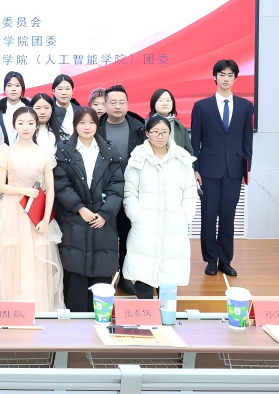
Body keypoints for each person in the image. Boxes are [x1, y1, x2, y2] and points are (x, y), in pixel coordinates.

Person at [0, 108, 64, 311]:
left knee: (36, 260)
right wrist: (25, 191)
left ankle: (36, 309)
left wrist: (45, 219)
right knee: (11, 260)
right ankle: (10, 309)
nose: (25, 127)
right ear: (14, 125)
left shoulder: (43, 153)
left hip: (35, 214)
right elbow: (0, 186)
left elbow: (51, 190)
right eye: (21, 123)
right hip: (11, 211)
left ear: (36, 125)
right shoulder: (6, 151)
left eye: (30, 123)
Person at [54, 107, 125, 312]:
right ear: (75, 125)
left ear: (97, 125)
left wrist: (104, 213)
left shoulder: (109, 150)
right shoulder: (64, 150)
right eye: (82, 122)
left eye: (91, 122)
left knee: (101, 276)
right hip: (73, 219)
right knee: (74, 275)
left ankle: (99, 323)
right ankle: (75, 326)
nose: (87, 127)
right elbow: (61, 184)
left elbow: (117, 185)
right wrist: (79, 208)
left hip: (102, 221)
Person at [123, 116, 198, 299]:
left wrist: (186, 216)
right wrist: (136, 216)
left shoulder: (182, 158)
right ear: (147, 133)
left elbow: (190, 191)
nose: (160, 136)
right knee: (143, 274)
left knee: (169, 279)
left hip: (174, 224)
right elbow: (130, 193)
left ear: (170, 133)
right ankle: (146, 314)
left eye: (164, 132)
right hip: (145, 225)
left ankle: (166, 314)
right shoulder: (137, 158)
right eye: (155, 132)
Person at [191, 59, 253, 277]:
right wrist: (195, 168)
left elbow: (247, 141)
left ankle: (225, 260)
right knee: (208, 217)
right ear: (214, 77)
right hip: (208, 170)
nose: (226, 79)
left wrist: (247, 168)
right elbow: (195, 141)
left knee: (228, 216)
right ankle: (210, 259)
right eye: (222, 74)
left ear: (235, 78)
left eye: (230, 75)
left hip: (234, 170)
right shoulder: (201, 106)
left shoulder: (245, 106)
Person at [97, 84, 145, 295]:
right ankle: (107, 275)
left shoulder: (139, 128)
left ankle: (125, 277)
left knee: (127, 235)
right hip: (103, 191)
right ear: (105, 104)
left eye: (122, 102)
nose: (118, 106)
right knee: (106, 235)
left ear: (128, 104)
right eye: (113, 102)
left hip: (131, 190)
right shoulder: (95, 127)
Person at [0, 71, 31, 145]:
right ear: (4, 88)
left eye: (17, 86)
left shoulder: (31, 109)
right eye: (9, 85)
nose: (13, 89)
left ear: (22, 88)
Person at [148, 88, 193, 154]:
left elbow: (188, 151)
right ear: (153, 104)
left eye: (168, 100)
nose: (165, 103)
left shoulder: (179, 126)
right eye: (160, 100)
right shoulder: (145, 125)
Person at [50, 74, 81, 140]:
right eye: (60, 89)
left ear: (72, 91)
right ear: (53, 91)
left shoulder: (79, 111)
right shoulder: (48, 110)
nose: (64, 92)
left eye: (67, 89)